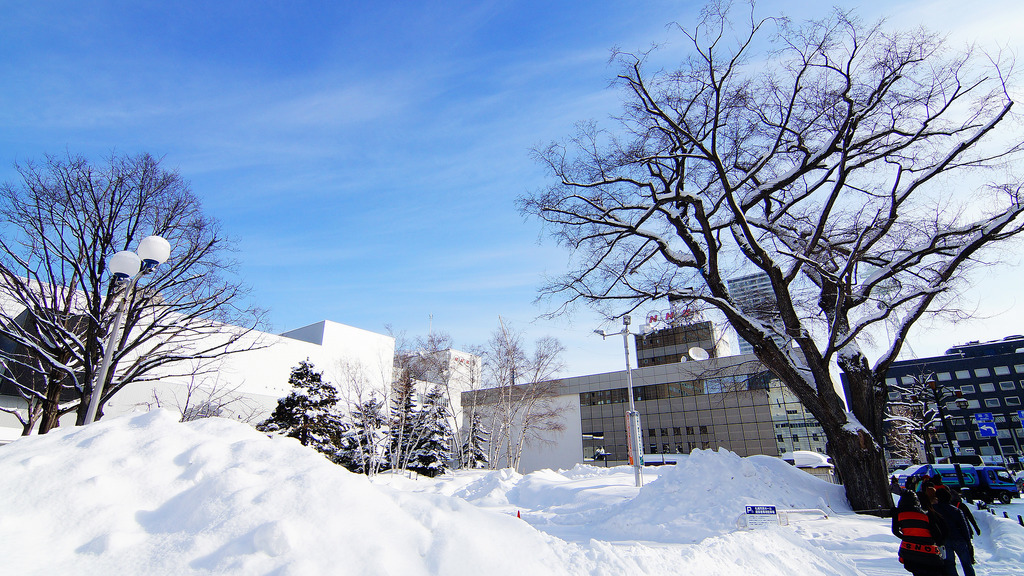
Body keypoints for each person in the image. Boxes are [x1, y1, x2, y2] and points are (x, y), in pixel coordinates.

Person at [892, 490, 947, 576]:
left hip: (909, 553)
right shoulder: (925, 514)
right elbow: (937, 534)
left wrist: (907, 538)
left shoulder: (898, 514)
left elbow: (895, 531)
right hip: (928, 553)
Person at [933, 486, 974, 576]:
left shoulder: (933, 510)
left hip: (944, 540)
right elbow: (964, 527)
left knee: (950, 564)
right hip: (959, 539)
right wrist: (968, 541)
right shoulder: (956, 510)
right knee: (967, 564)